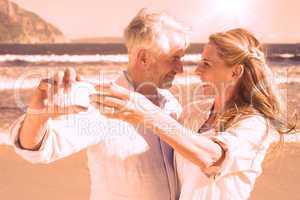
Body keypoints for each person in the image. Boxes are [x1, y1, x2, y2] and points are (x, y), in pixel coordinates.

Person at [90, 28, 296, 199]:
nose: (197, 70)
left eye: (206, 64)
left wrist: (148, 113)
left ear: (235, 73)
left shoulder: (254, 124)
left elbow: (210, 157)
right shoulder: (193, 114)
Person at [9, 9, 189, 200]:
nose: (181, 68)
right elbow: (37, 147)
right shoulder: (103, 102)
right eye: (174, 58)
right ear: (144, 58)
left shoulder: (171, 104)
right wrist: (39, 115)